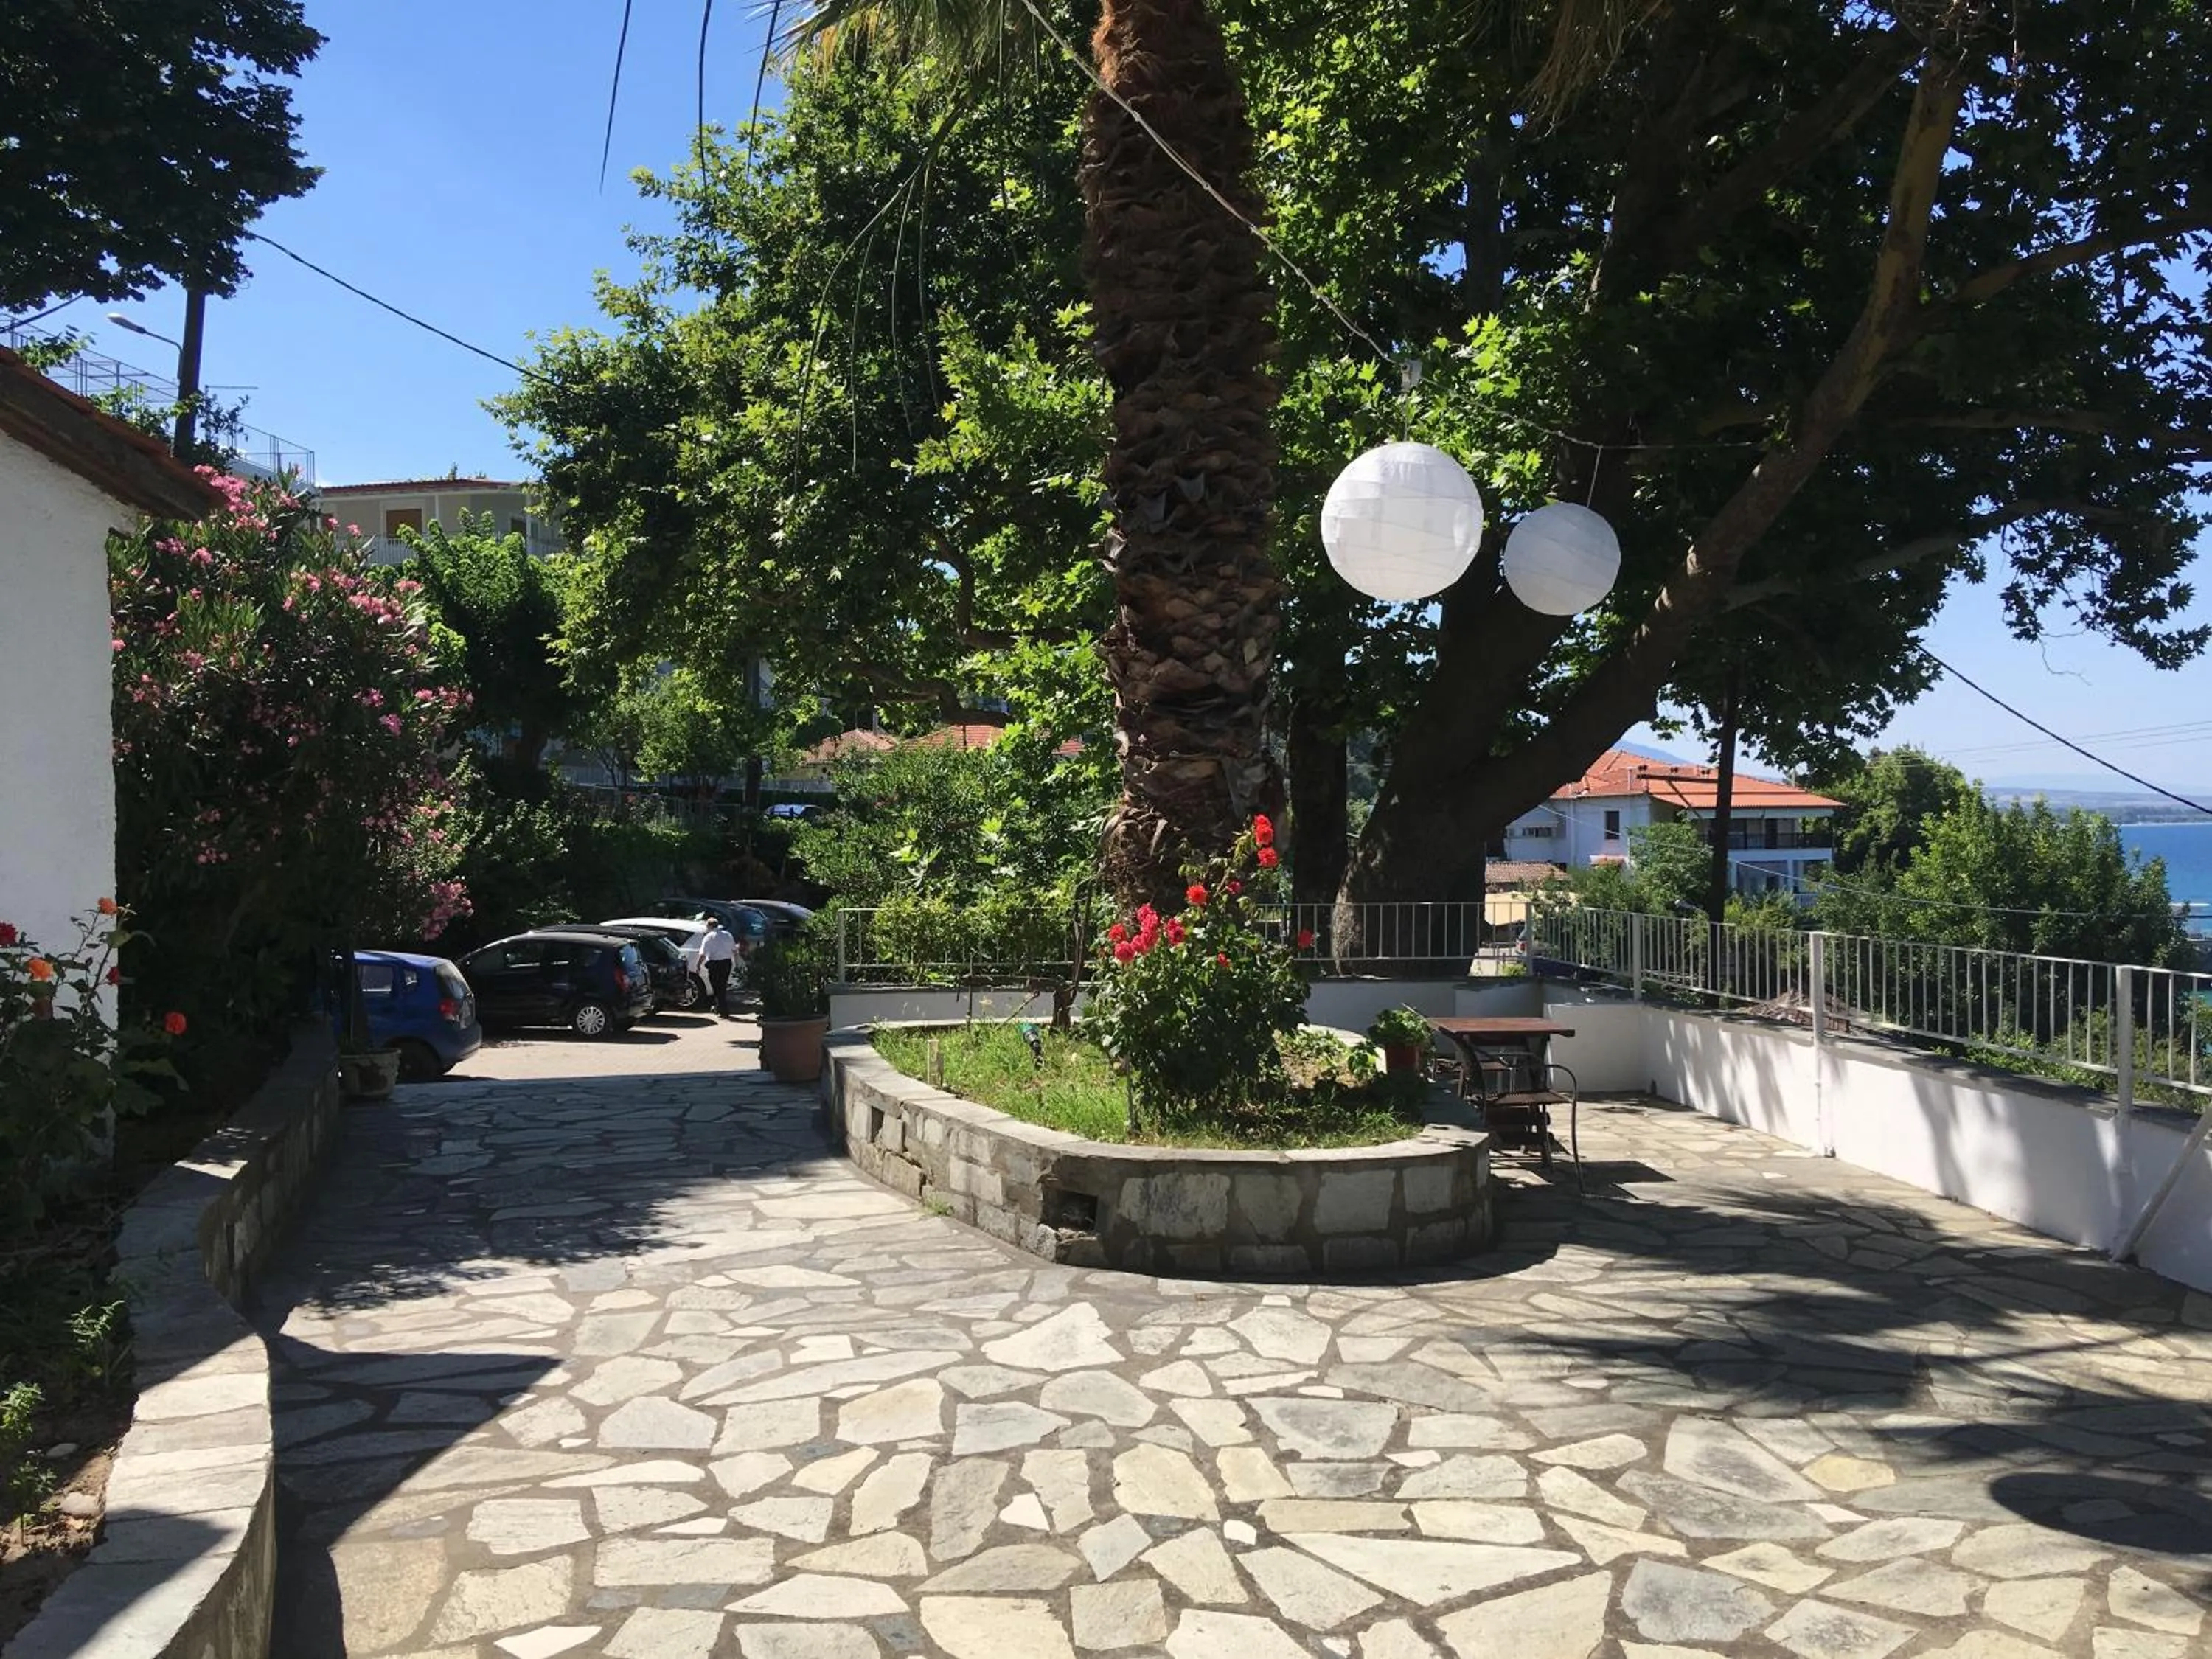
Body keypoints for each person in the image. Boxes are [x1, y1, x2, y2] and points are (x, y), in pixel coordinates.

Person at [699, 915, 738, 1016]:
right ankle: (720, 1007)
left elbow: (703, 954)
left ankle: (722, 1009)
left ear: (710, 926)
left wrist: (698, 965)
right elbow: (734, 950)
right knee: (722, 985)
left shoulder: (709, 937)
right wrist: (736, 962)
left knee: (716, 987)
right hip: (726, 963)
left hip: (715, 964)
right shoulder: (728, 935)